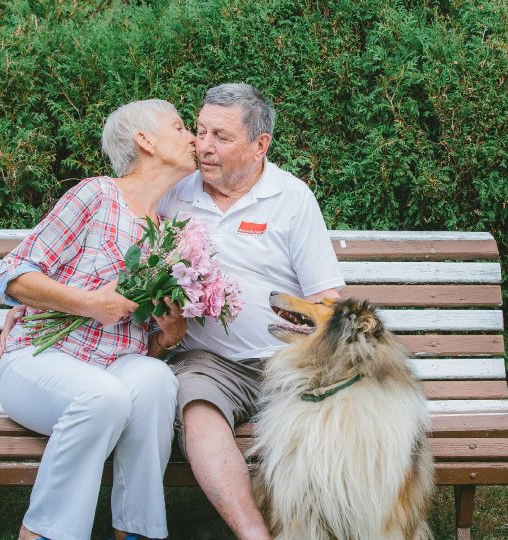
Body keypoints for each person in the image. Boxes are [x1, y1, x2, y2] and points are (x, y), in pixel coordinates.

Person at [0, 98, 196, 540]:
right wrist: (89, 303)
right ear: (145, 141)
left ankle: (138, 531)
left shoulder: (165, 234)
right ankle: (47, 533)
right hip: (40, 360)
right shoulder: (96, 194)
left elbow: (142, 338)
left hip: (112, 368)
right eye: (180, 127)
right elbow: (13, 275)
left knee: (157, 380)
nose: (193, 137)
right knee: (104, 397)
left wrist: (168, 337)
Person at [158, 83, 344, 540]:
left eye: (221, 136)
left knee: (329, 417)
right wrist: (36, 298)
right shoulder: (173, 194)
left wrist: (314, 361)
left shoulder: (291, 197)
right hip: (208, 361)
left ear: (260, 146)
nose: (203, 146)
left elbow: (327, 300)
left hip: (286, 360)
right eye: (199, 131)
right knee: (196, 406)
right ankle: (254, 535)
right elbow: (110, 245)